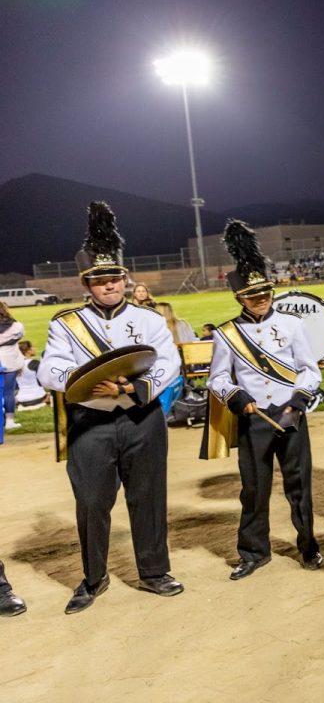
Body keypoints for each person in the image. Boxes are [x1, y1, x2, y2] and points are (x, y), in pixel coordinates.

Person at [37, 202, 184, 613]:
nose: (109, 286)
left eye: (115, 278)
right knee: (91, 502)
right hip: (91, 422)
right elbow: (50, 368)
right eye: (99, 281)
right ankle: (93, 577)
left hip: (142, 417)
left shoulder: (149, 318)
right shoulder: (65, 323)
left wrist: (135, 388)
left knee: (148, 497)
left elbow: (169, 362)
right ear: (86, 284)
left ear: (125, 278)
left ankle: (154, 572)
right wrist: (87, 382)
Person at [206, 219, 324, 580]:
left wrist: (299, 401)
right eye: (253, 296)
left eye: (266, 294)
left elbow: (310, 369)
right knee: (253, 490)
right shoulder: (227, 334)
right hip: (253, 419)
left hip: (290, 416)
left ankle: (308, 546)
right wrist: (236, 396)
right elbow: (217, 378)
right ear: (239, 297)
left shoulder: (292, 325)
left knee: (299, 486)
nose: (261, 300)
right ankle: (254, 552)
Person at [0, 302, 23, 431]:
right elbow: (18, 336)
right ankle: (9, 421)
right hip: (9, 362)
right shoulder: (16, 326)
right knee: (8, 393)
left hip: (7, 362)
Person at [15, 341, 49, 410]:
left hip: (21, 400)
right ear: (28, 351)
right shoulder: (35, 363)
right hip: (38, 398)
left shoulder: (15, 365)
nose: (34, 348)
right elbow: (45, 381)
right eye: (32, 347)